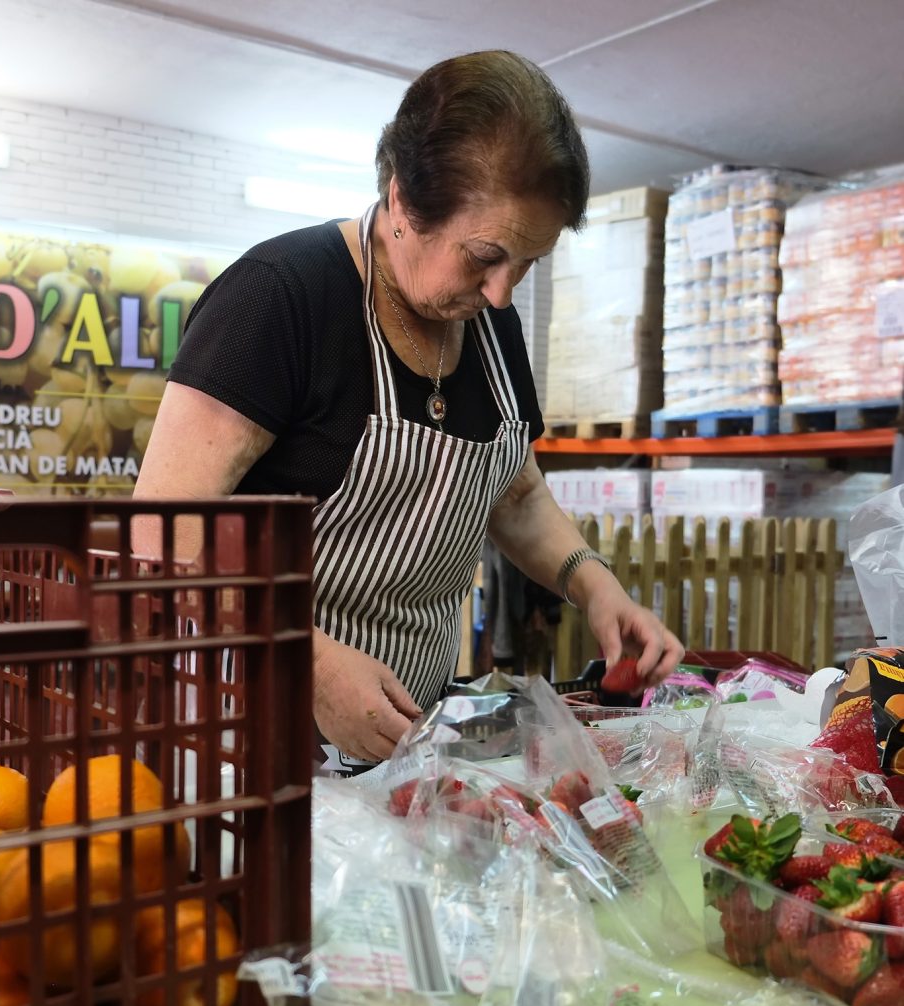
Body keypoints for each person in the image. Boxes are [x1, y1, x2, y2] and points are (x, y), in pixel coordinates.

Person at [133, 50, 684, 772]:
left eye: (527, 263)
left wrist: (594, 584)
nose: (500, 294)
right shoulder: (279, 299)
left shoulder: (493, 328)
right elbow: (158, 537)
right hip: (237, 746)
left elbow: (515, 496)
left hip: (398, 755)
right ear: (400, 201)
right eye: (484, 256)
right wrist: (306, 657)